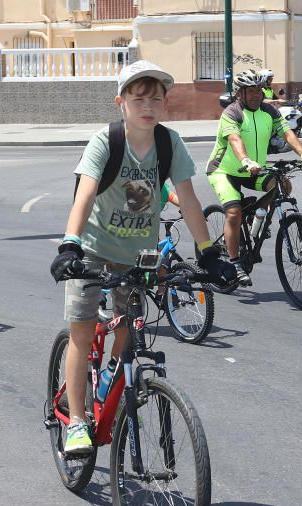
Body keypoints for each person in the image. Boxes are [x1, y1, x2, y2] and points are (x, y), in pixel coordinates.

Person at [49, 60, 235, 456]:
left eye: (156, 98)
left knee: (129, 333)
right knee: (81, 333)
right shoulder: (106, 141)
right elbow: (85, 193)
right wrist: (70, 245)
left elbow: (188, 198)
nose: (148, 105)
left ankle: (112, 388)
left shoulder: (169, 144)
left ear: (165, 103)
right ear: (122, 103)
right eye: (139, 98)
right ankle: (78, 422)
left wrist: (209, 254)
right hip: (94, 252)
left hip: (139, 258)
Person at [206, 69, 302, 286]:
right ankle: (236, 263)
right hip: (225, 171)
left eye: (259, 89)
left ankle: (257, 216)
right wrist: (246, 160)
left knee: (283, 185)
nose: (257, 95)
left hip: (254, 170)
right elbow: (234, 139)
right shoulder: (232, 113)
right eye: (251, 91)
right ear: (240, 93)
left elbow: (287, 132)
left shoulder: (269, 111)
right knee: (233, 212)